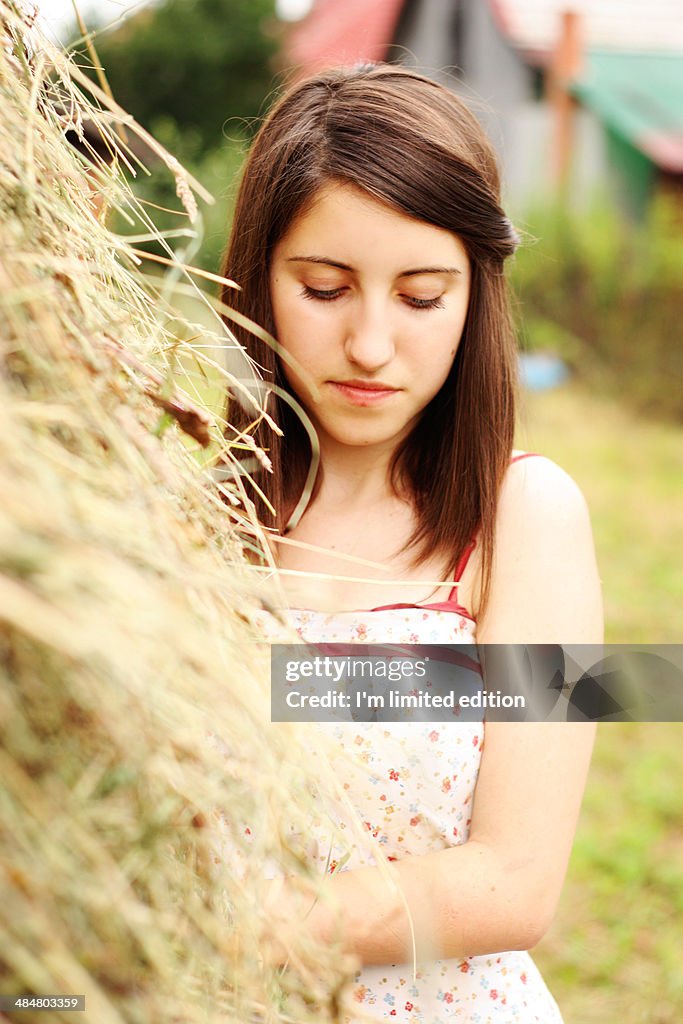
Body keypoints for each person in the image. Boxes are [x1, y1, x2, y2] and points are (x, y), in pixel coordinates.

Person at [219, 63, 603, 1023]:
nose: (370, 345)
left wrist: (233, 925)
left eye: (422, 296)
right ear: (258, 279)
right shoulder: (187, 514)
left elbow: (515, 881)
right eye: (323, 287)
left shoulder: (521, 518)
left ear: (475, 298)